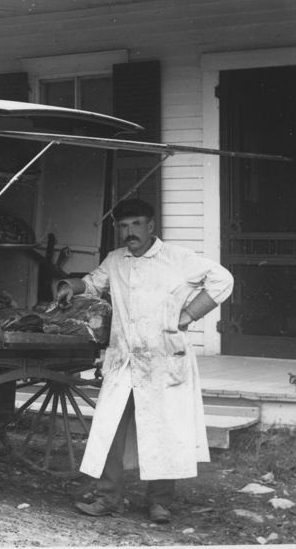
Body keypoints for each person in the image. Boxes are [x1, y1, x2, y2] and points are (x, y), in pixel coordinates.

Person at [55, 198, 233, 525]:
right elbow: (93, 283)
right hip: (123, 357)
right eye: (123, 226)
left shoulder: (177, 259)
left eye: (136, 224)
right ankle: (109, 498)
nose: (129, 232)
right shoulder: (116, 260)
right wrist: (70, 286)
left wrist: (189, 314)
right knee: (109, 426)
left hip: (164, 358)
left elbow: (223, 280)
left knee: (163, 429)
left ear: (151, 226)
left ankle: (160, 503)